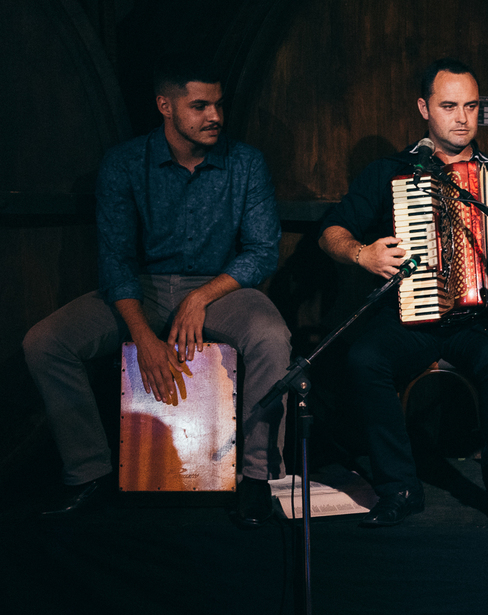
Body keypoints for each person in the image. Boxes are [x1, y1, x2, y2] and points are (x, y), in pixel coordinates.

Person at [318, 58, 488, 528]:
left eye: (471, 106)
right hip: (410, 316)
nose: (462, 117)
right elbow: (331, 231)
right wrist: (361, 253)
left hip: (478, 319)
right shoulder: (388, 171)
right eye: (449, 105)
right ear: (423, 108)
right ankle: (400, 488)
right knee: (365, 360)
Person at [22, 53, 290, 528]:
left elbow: (262, 250)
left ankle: (256, 478)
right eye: (200, 106)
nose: (215, 117)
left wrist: (199, 297)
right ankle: (90, 473)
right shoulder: (126, 163)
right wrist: (143, 335)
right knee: (45, 342)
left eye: (219, 105)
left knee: (271, 337)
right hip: (141, 288)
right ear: (165, 106)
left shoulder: (245, 162)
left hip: (220, 287)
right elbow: (116, 259)